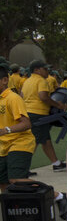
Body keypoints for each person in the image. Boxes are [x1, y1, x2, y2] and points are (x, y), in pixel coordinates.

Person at [19, 59, 66, 170]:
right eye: (45, 69)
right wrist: (57, 105)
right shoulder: (41, 81)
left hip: (29, 113)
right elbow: (43, 96)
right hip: (38, 114)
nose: (47, 71)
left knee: (44, 140)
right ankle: (23, 167)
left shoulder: (27, 81)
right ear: (36, 70)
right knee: (35, 141)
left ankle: (56, 163)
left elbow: (21, 96)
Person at [0, 65, 36, 193]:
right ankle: (10, 209)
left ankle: (56, 195)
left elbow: (26, 124)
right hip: (3, 146)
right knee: (3, 183)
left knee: (16, 180)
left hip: (20, 142)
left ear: (4, 80)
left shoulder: (12, 98)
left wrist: (5, 130)